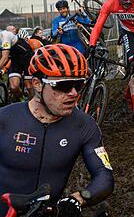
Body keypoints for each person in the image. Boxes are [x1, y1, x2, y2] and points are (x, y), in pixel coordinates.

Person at [0, 44, 114, 217]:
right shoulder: (5, 119)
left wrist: (78, 199)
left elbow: (104, 176)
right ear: (37, 84)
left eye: (79, 84)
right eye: (64, 85)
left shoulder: (84, 126)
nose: (74, 93)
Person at [89, 0, 134, 122]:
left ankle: (128, 94)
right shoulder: (110, 3)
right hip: (128, 32)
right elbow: (98, 26)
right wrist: (92, 44)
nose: (128, 1)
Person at [0, 28, 33, 101]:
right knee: (14, 87)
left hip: (26, 57)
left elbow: (5, 57)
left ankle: (33, 104)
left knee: (29, 86)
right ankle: (22, 99)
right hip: (15, 59)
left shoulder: (5, 36)